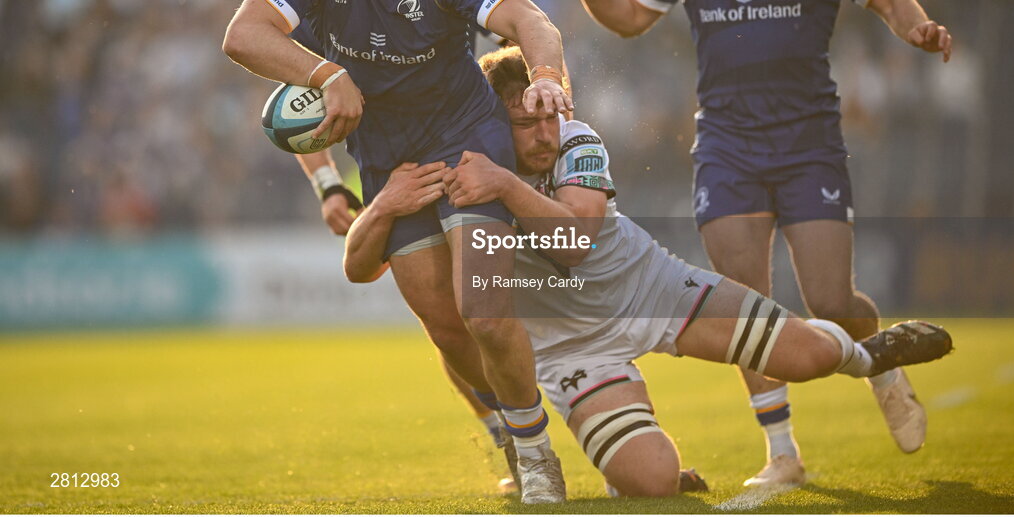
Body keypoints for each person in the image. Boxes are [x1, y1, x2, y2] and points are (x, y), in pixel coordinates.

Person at [342, 45, 953, 498]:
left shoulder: (576, 139)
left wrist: (502, 183)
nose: (545, 134)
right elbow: (360, 267)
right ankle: (625, 439)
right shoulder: (450, 164)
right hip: (575, 352)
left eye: (548, 116)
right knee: (653, 481)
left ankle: (874, 359)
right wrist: (387, 205)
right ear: (487, 122)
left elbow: (575, 240)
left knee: (810, 359)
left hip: (653, 288)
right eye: (525, 123)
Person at [555, 0, 954, 487]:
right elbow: (629, 18)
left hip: (808, 143)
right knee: (747, 302)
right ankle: (782, 451)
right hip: (727, 144)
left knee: (831, 299)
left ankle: (881, 366)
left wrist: (916, 27)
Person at [223, 0, 573, 503]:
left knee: (486, 313)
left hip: (467, 140)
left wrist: (548, 78)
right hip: (388, 161)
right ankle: (507, 426)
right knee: (445, 323)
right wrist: (328, 76)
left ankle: (537, 453)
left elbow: (529, 19)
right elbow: (243, 35)